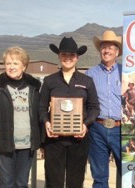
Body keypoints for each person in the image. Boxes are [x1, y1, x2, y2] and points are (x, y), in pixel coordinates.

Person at [39, 37, 100, 187]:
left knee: (76, 181)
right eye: (64, 55)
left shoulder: (87, 81)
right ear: (59, 56)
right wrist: (46, 122)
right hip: (54, 139)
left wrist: (86, 124)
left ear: (77, 57)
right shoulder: (49, 81)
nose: (68, 58)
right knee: (54, 181)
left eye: (71, 55)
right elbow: (41, 107)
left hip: (79, 139)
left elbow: (94, 107)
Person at [0, 46, 42, 187]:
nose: (11, 67)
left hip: (27, 146)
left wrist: (40, 144)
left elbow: (39, 116)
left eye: (15, 63)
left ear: (24, 66)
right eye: (8, 63)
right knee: (7, 183)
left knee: (22, 183)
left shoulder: (34, 88)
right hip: (4, 145)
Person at [85, 30, 122, 188]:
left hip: (121, 129)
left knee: (129, 173)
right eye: (103, 47)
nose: (106, 50)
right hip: (97, 128)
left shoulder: (125, 72)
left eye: (110, 47)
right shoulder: (90, 73)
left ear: (117, 52)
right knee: (99, 177)